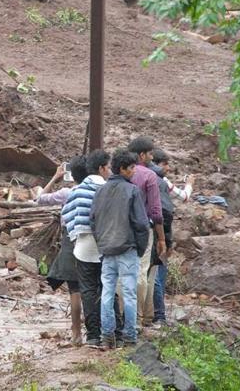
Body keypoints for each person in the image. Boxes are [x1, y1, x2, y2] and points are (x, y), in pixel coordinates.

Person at [91, 149, 150, 348]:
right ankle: (130, 337)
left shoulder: (100, 190)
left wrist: (102, 244)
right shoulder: (132, 191)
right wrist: (140, 249)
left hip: (107, 251)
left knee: (108, 292)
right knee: (129, 293)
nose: (135, 171)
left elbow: (93, 221)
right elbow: (141, 224)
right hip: (127, 249)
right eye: (132, 168)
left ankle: (107, 337)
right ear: (123, 169)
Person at [61, 149, 111, 346]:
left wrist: (75, 236)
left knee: (87, 290)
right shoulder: (110, 188)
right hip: (108, 244)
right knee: (107, 288)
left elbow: (67, 216)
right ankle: (112, 332)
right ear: (101, 168)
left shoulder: (77, 191)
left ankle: (92, 335)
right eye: (108, 166)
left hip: (83, 246)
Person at [41, 156, 88, 345]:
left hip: (70, 241)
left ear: (72, 175)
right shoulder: (96, 190)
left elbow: (39, 198)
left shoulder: (67, 192)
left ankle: (76, 334)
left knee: (74, 290)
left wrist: (55, 177)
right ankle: (96, 331)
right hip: (92, 239)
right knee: (93, 288)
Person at [150, 148, 194, 326]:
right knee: (158, 272)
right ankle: (159, 315)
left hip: (150, 229)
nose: (166, 168)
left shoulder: (145, 177)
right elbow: (184, 196)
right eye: (165, 164)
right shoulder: (162, 181)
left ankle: (152, 313)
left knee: (152, 273)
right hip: (160, 230)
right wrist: (190, 183)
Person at [127, 136, 166, 326]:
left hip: (121, 229)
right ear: (142, 155)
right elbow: (156, 212)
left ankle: (125, 315)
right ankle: (138, 316)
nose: (152, 157)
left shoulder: (120, 173)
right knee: (142, 271)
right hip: (143, 230)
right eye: (150, 153)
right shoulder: (150, 176)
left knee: (122, 271)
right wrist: (162, 238)